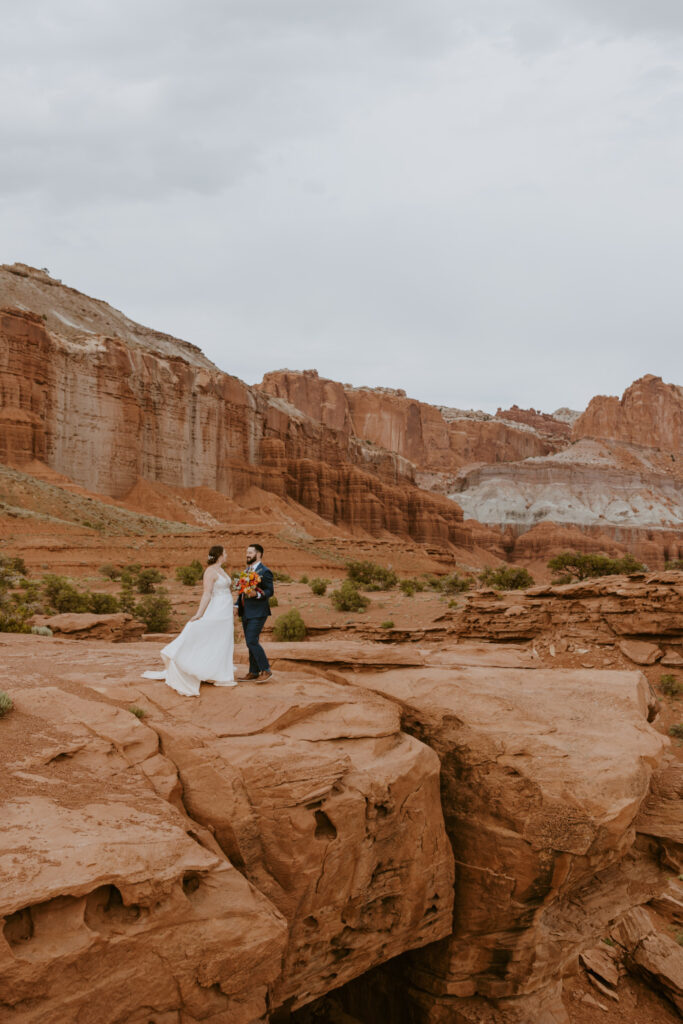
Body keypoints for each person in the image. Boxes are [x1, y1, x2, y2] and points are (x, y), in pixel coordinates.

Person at [142, 544, 235, 696]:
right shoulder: (210, 571)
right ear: (219, 555)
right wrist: (199, 613)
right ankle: (180, 657)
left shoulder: (222, 570)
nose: (227, 554)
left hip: (226, 610)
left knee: (223, 639)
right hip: (217, 608)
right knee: (207, 632)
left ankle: (218, 671)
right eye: (225, 552)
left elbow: (227, 589)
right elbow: (207, 594)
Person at [236, 543, 274, 682]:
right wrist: (236, 605)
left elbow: (270, 591)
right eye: (247, 552)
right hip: (246, 612)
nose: (247, 554)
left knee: (251, 641)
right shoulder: (246, 571)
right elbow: (241, 591)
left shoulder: (265, 572)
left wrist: (257, 595)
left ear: (258, 554)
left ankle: (266, 670)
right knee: (250, 642)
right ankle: (253, 671)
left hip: (258, 612)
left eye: (250, 552)